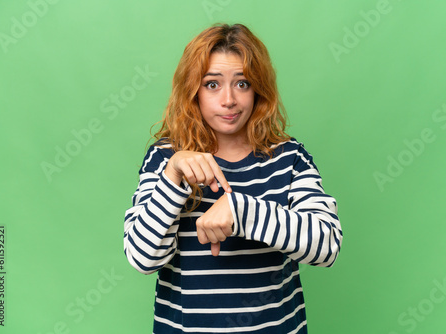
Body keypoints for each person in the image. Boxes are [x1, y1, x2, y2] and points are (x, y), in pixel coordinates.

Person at [123, 23, 342, 334]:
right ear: (193, 91)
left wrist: (241, 210)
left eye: (242, 84)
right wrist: (173, 176)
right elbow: (142, 258)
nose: (228, 100)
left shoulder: (288, 157)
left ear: (258, 89)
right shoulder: (164, 159)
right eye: (212, 85)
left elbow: (327, 246)